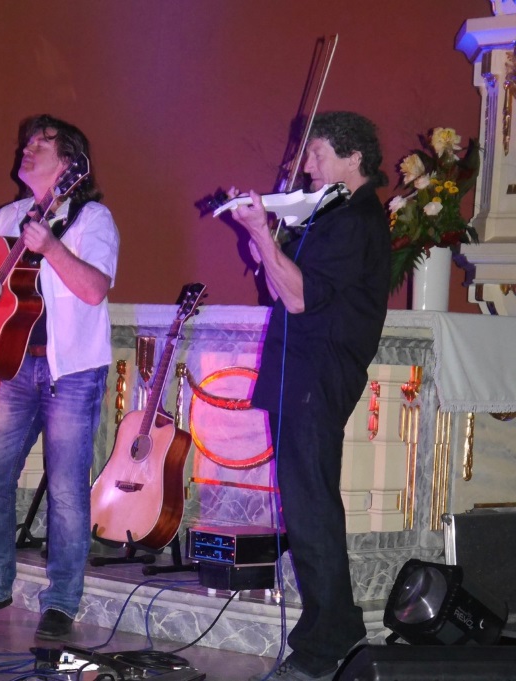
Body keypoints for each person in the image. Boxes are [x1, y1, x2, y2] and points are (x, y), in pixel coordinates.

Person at [0, 114, 119, 640]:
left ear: (70, 165)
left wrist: (51, 248)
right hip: (16, 368)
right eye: (28, 141)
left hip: (72, 372)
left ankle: (61, 602)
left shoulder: (92, 219)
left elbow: (94, 290)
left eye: (42, 142)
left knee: (66, 491)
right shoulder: (11, 216)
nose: (28, 147)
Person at [228, 111, 390, 681]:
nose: (308, 166)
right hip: (300, 373)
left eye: (319, 154)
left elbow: (299, 298)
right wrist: (267, 241)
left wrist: (260, 233)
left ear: (353, 159)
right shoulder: (333, 215)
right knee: (306, 508)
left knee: (312, 510)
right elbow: (283, 285)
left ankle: (328, 644)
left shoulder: (354, 220)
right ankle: (335, 632)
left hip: (317, 375)